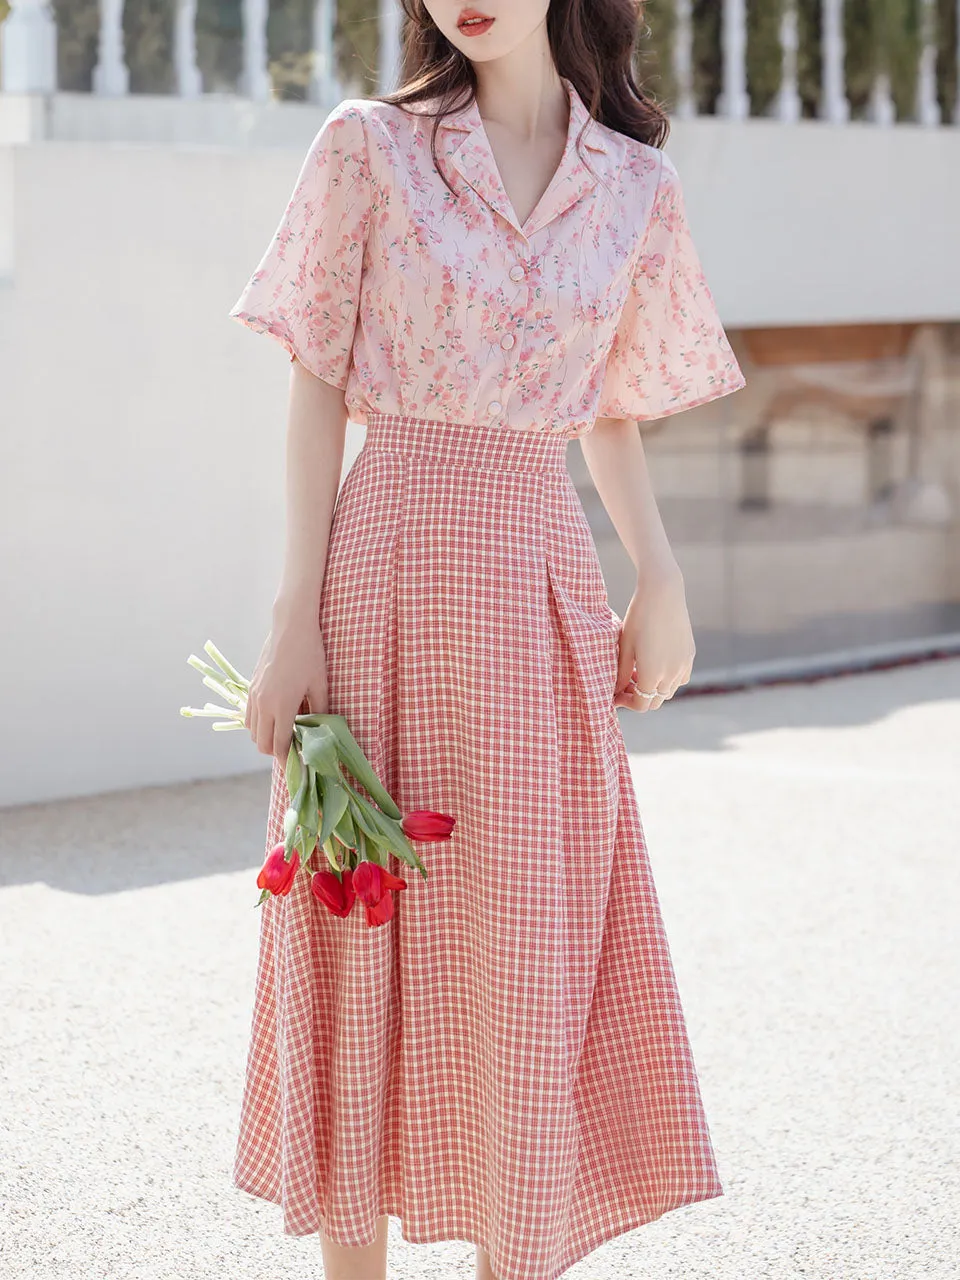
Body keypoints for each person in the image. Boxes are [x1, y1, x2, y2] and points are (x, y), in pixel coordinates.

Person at [229, 2, 746, 1278]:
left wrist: (660, 571)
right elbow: (314, 380)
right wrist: (293, 617)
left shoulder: (634, 183)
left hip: (536, 578)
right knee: (365, 920)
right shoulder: (369, 147)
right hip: (384, 561)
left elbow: (611, 406)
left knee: (527, 931)